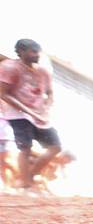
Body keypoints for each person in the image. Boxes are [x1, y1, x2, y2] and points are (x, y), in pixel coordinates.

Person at [0, 39, 61, 192]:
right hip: (18, 114)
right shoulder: (9, 67)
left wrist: (47, 106)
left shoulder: (43, 71)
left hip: (39, 114)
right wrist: (29, 112)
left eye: (38, 51)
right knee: (25, 148)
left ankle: (28, 178)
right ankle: (26, 184)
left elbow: (50, 92)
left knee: (55, 146)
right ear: (20, 52)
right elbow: (3, 94)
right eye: (32, 51)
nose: (36, 55)